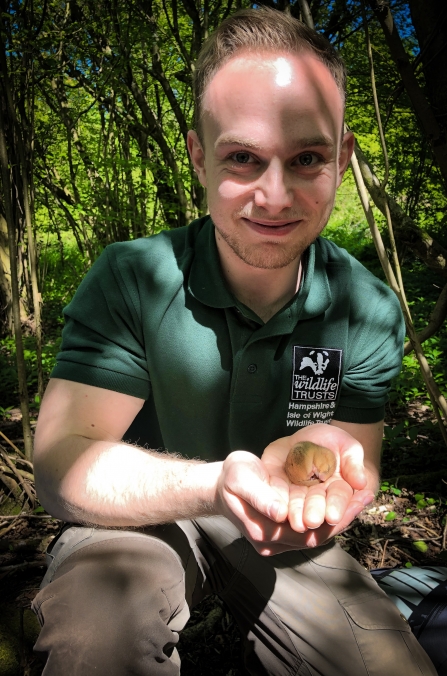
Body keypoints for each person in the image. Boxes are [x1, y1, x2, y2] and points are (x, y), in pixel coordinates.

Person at [31, 7, 437, 676]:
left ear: (342, 158)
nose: (273, 196)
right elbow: (62, 464)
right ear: (197, 156)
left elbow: (349, 459)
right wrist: (221, 483)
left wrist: (328, 474)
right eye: (243, 158)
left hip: (281, 535)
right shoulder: (133, 277)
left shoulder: (365, 308)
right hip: (132, 519)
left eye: (306, 158)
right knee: (99, 634)